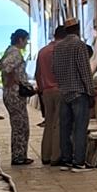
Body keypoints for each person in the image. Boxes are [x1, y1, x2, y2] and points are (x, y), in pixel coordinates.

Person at [53, 18, 95, 170]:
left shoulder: (58, 47)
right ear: (77, 29)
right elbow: (85, 70)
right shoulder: (79, 45)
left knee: (65, 128)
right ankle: (79, 161)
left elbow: (54, 70)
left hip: (64, 92)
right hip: (79, 93)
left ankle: (67, 159)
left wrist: (63, 85)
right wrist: (90, 92)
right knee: (80, 128)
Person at [0, 29, 36, 166]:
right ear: (20, 39)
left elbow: (0, 65)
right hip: (15, 94)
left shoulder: (9, 51)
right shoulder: (15, 53)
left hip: (11, 93)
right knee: (21, 126)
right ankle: (19, 156)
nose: (26, 43)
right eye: (26, 40)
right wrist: (14, 80)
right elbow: (5, 67)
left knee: (19, 125)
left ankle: (19, 155)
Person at [35, 23, 66, 166]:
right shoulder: (63, 50)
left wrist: (42, 89)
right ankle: (55, 156)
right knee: (58, 124)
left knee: (48, 123)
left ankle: (45, 155)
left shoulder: (42, 51)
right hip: (60, 90)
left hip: (46, 91)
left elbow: (37, 74)